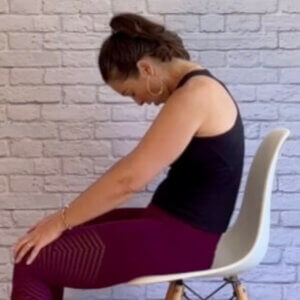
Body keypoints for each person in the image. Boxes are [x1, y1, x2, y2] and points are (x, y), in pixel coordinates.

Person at [10, 12, 244, 299]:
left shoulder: (196, 95)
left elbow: (129, 181)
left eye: (131, 92)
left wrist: (59, 221)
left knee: (33, 259)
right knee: (38, 247)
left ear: (146, 69)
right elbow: (129, 175)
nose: (140, 102)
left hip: (183, 241)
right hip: (171, 229)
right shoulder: (198, 89)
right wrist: (58, 222)